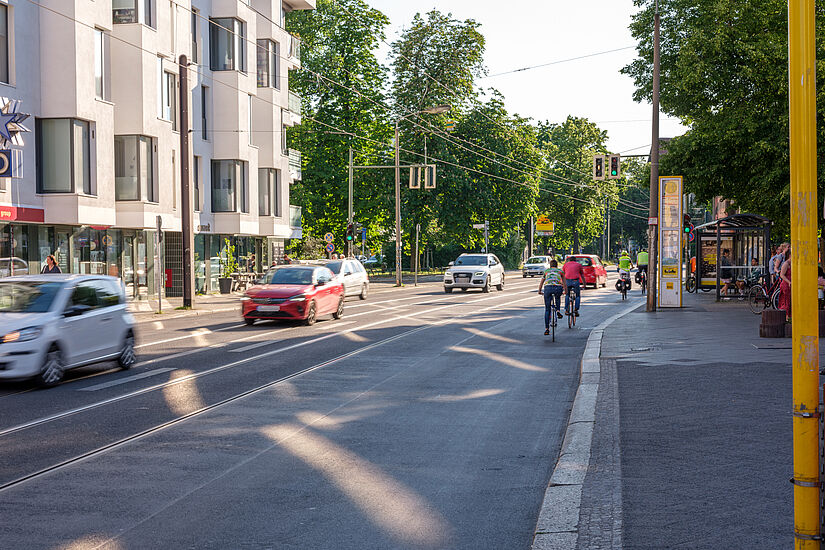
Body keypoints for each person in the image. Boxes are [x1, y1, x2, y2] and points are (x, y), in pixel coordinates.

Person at [537, 259, 565, 335]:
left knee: (547, 309)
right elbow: (564, 282)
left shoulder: (546, 271)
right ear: (557, 265)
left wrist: (539, 290)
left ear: (550, 265)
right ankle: (558, 310)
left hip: (548, 288)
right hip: (557, 288)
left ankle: (547, 329)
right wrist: (565, 290)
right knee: (558, 297)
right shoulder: (560, 271)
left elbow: (542, 281)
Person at [779, 247, 792, 321]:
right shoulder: (786, 263)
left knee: (790, 300)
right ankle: (786, 318)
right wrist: (789, 281)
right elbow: (782, 274)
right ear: (790, 255)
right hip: (786, 284)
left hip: (791, 284)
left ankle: (789, 317)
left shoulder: (793, 263)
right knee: (786, 301)